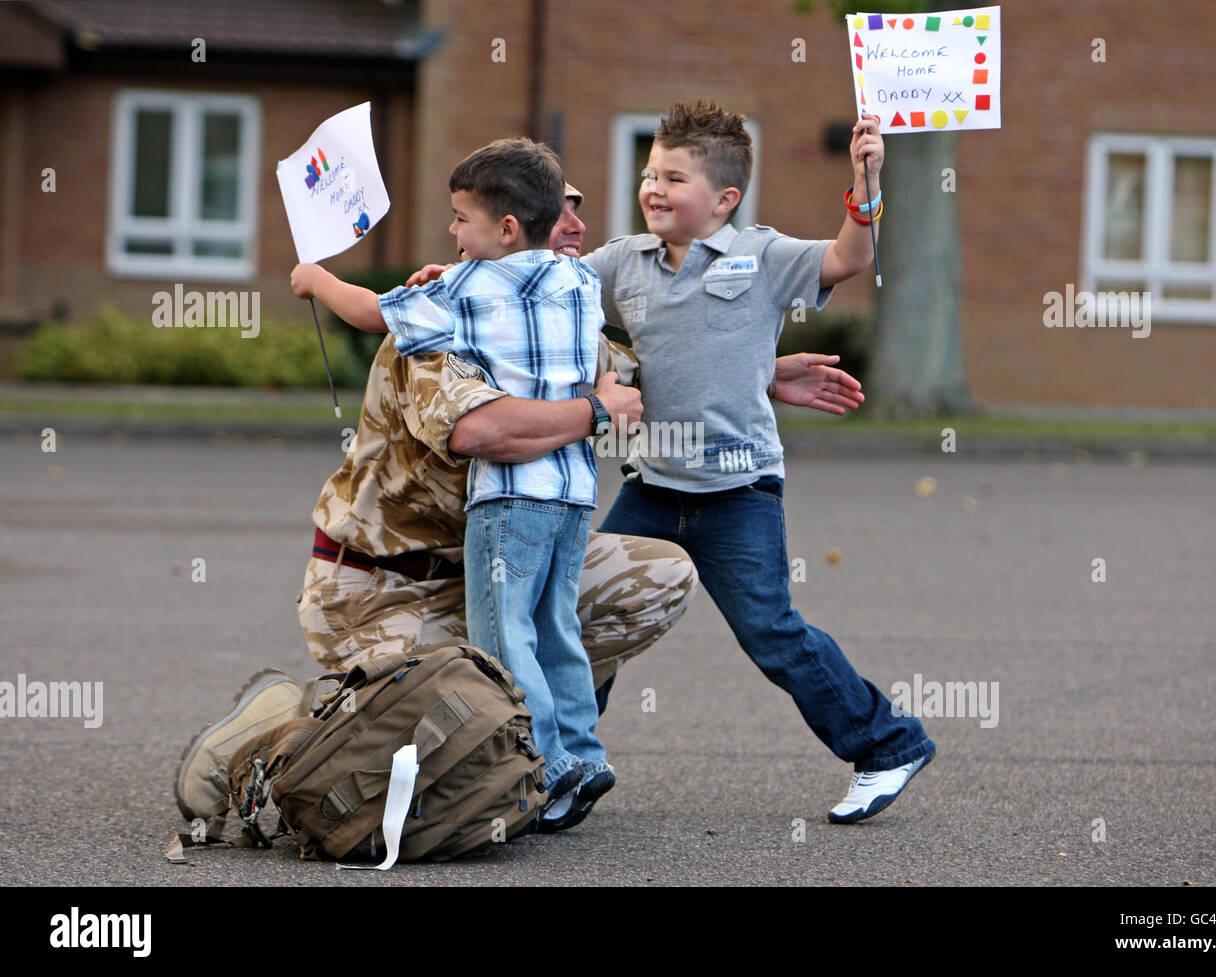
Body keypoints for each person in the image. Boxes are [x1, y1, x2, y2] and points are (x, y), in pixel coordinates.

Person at [175, 183, 695, 834]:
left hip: (487, 571)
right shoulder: (441, 319)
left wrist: (764, 375)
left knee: (658, 579)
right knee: (434, 741)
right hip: (383, 589)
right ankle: (283, 730)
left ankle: (529, 750)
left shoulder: (560, 306)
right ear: (510, 226)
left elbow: (641, 374)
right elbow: (479, 430)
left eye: (580, 207)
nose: (577, 224)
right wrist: (595, 411)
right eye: (558, 208)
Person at [579, 101, 936, 823]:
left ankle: (887, 743)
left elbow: (850, 258)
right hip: (651, 488)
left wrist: (866, 184)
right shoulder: (621, 262)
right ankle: (563, 763)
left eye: (673, 177)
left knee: (772, 631)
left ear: (724, 199)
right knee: (587, 617)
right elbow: (551, 300)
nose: (653, 188)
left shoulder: (762, 255)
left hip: (739, 494)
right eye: (649, 172)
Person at [292, 138, 618, 826]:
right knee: (556, 627)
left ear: (502, 229)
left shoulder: (462, 288)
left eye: (461, 218)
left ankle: (547, 768)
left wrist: (314, 278)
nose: (452, 231)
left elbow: (367, 312)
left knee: (503, 640)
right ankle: (586, 755)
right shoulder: (579, 282)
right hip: (574, 494)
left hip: (508, 497)